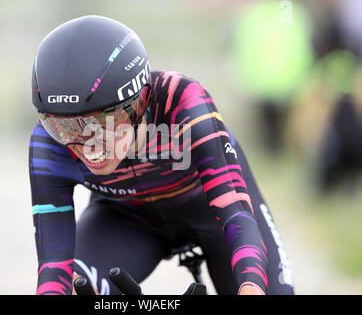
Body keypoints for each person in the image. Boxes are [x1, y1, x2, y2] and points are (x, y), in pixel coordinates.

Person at [29, 15, 294, 295]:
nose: (87, 147)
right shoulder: (49, 141)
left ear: (138, 102)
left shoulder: (182, 102)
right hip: (124, 220)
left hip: (211, 213)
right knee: (75, 289)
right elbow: (52, 266)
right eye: (67, 127)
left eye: (101, 124)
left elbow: (236, 213)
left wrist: (251, 286)